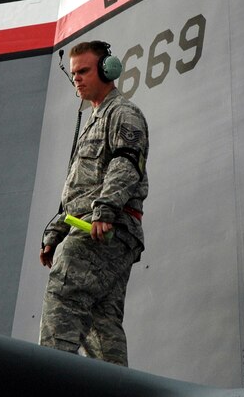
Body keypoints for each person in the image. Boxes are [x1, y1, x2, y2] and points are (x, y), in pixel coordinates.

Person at [39, 40, 149, 366]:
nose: (77, 79)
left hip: (101, 230)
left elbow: (126, 163)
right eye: (74, 73)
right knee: (102, 325)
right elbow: (79, 187)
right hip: (103, 227)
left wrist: (105, 211)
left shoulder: (122, 114)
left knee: (62, 299)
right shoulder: (94, 120)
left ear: (107, 69)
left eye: (84, 71)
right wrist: (54, 232)